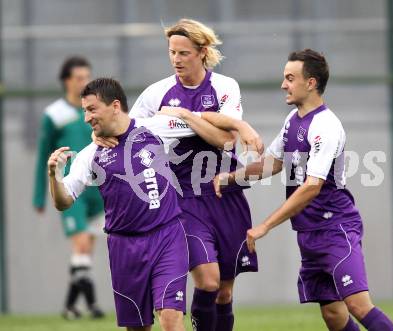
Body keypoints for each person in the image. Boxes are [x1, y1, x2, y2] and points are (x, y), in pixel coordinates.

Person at [214, 49, 393, 331]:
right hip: (309, 233)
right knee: (333, 316)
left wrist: (265, 226)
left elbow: (312, 187)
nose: (283, 85)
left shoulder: (326, 125)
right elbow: (273, 164)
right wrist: (230, 178)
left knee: (358, 305)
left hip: (335, 228)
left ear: (310, 83)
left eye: (290, 78)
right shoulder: (293, 120)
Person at [98, 18, 261, 331]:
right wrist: (98, 134)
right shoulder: (155, 94)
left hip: (224, 194)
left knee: (224, 292)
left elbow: (224, 140)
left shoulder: (225, 87)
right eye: (172, 52)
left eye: (183, 53)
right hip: (183, 197)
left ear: (202, 52)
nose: (176, 59)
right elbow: (123, 128)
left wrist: (186, 115)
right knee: (209, 281)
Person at [48, 77, 199, 331]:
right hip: (124, 247)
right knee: (137, 327)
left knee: (171, 317)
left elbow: (202, 123)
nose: (87, 118)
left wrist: (241, 128)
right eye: (84, 111)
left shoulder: (154, 128)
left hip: (168, 236)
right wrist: (55, 176)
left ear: (115, 106)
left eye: (92, 109)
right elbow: (63, 202)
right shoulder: (89, 155)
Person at [32, 56, 104, 319]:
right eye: (79, 77)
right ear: (67, 81)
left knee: (86, 252)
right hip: (71, 189)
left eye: (87, 76)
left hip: (97, 189)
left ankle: (71, 306)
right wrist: (39, 195)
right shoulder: (54, 114)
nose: (84, 82)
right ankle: (93, 303)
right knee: (82, 245)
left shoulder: (96, 110)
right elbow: (43, 156)